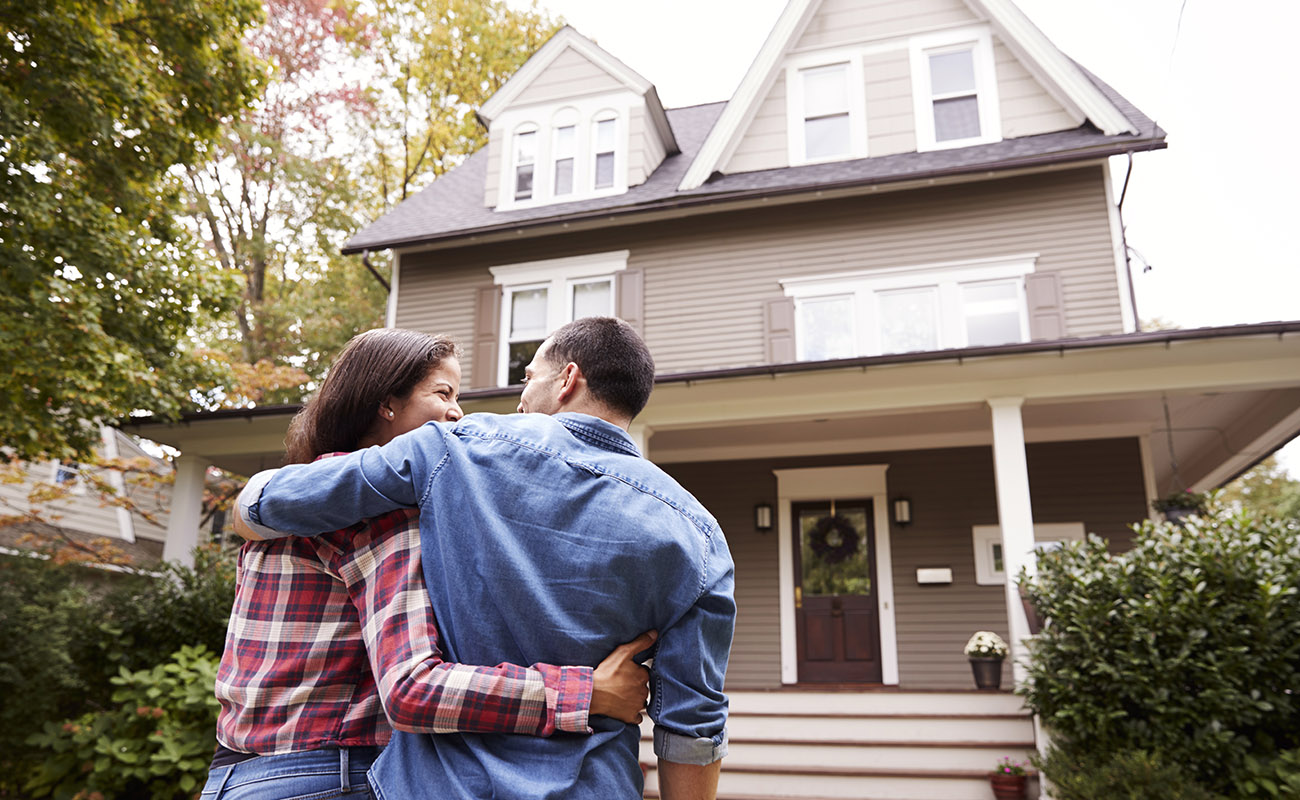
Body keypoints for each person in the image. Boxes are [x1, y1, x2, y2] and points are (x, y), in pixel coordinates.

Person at [236, 317, 735, 800]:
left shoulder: (454, 450)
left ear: (567, 380)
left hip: (443, 785)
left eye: (529, 377)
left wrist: (248, 506)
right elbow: (693, 723)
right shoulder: (701, 536)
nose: (520, 397)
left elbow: (278, 500)